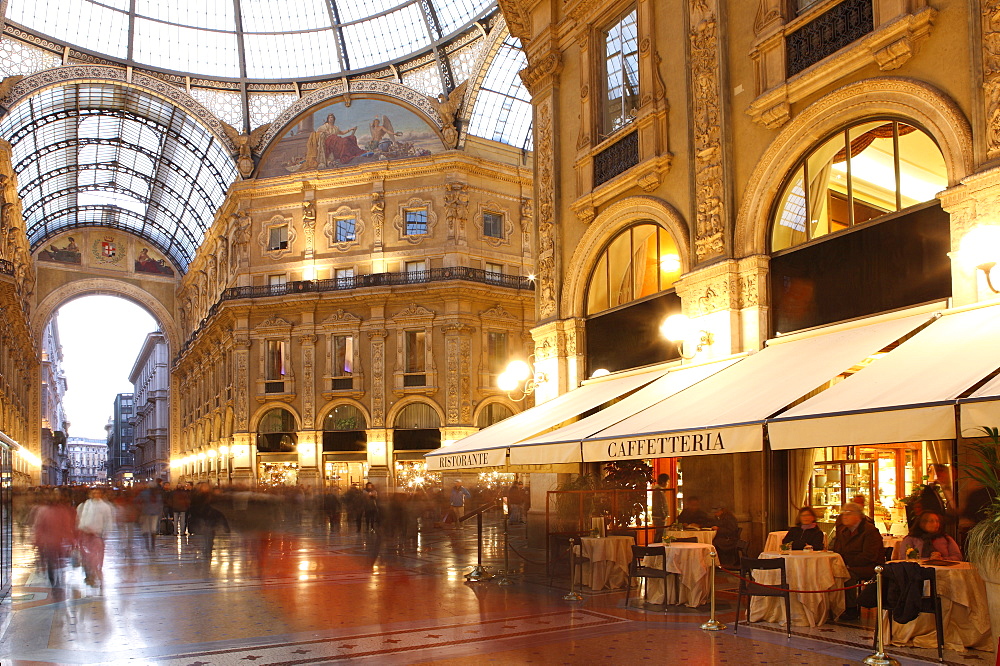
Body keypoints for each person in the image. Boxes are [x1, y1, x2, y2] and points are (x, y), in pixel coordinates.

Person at [829, 502, 885, 620]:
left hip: (869, 565)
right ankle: (832, 607)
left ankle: (851, 609)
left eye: (848, 513)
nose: (844, 516)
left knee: (847, 575)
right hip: (847, 563)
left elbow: (869, 555)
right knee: (828, 572)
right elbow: (837, 550)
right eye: (843, 512)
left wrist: (847, 564)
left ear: (858, 515)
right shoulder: (843, 531)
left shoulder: (870, 531)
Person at [33, 489, 76, 587]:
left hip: (56, 541)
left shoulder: (61, 511)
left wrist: (71, 540)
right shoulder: (44, 510)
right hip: (50, 541)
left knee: (55, 561)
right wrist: (37, 540)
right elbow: (39, 527)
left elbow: (66, 527)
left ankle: (56, 579)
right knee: (52, 561)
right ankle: (54, 580)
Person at [76, 487, 116, 587]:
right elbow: (83, 516)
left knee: (97, 554)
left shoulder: (105, 506)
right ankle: (90, 573)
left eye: (97, 493)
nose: (95, 495)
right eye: (94, 493)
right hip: (86, 532)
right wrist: (81, 526)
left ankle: (97, 570)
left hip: (98, 534)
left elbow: (108, 520)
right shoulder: (87, 504)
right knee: (87, 554)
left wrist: (106, 531)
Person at [136, 480, 163, 552]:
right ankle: (153, 545)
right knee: (153, 529)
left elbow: (137, 501)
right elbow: (160, 504)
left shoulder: (144, 493)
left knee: (146, 529)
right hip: (155, 513)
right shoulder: (158, 494)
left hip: (145, 513)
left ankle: (147, 545)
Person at [651, 473, 670, 543]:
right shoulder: (658, 491)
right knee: (660, 533)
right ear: (663, 482)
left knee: (660, 532)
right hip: (659, 516)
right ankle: (657, 547)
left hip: (658, 515)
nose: (668, 484)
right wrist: (663, 515)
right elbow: (660, 504)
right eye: (667, 482)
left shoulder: (658, 490)